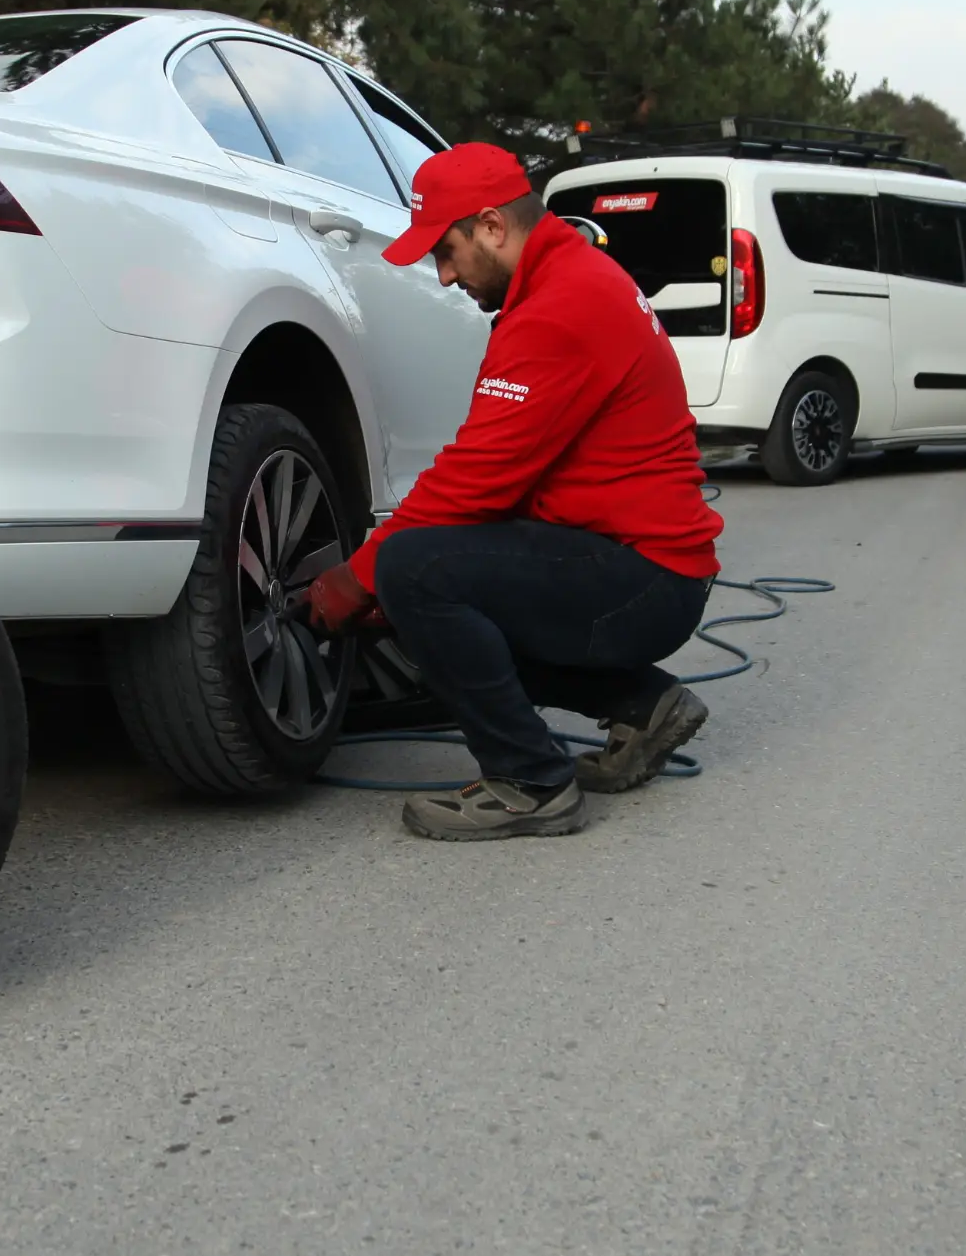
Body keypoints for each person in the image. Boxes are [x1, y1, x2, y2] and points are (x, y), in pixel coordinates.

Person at [307, 143, 722, 841]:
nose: (443, 275)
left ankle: (530, 780)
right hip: (645, 565)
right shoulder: (572, 277)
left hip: (644, 576)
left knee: (416, 571)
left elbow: (477, 478)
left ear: (492, 226)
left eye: (446, 250)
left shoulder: (558, 308)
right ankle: (646, 704)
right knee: (433, 591)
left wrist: (362, 576)